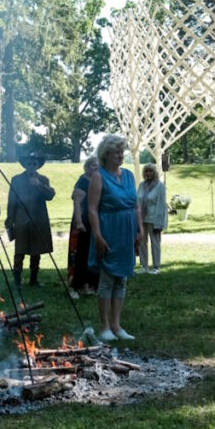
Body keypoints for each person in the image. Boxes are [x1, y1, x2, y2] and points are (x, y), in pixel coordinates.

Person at [88, 134, 141, 343]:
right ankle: (105, 327)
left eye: (122, 151)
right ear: (106, 154)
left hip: (127, 233)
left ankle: (117, 325)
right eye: (116, 152)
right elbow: (92, 209)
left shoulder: (128, 175)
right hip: (109, 230)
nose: (120, 155)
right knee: (108, 279)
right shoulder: (98, 176)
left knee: (122, 280)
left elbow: (135, 205)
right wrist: (98, 236)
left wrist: (140, 230)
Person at [6, 152, 56, 288]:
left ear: (38, 165)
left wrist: (38, 184)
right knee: (20, 250)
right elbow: (12, 201)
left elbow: (50, 195)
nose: (32, 165)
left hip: (39, 220)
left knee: (36, 251)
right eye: (29, 163)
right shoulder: (16, 180)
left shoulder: (43, 179)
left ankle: (33, 279)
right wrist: (10, 218)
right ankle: (17, 280)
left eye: (35, 163)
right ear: (25, 164)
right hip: (21, 219)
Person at [68, 156, 100, 296]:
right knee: (80, 254)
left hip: (93, 222)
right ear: (87, 167)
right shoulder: (82, 182)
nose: (95, 167)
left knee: (91, 254)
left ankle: (89, 285)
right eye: (93, 165)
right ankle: (76, 286)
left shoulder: (95, 181)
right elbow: (77, 203)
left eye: (97, 165)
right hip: (82, 223)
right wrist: (79, 222)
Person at [136, 163, 167, 274]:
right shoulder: (141, 185)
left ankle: (156, 267)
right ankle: (144, 266)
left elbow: (161, 205)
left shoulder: (160, 186)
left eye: (150, 171)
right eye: (146, 171)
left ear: (154, 173)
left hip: (154, 219)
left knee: (155, 243)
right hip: (141, 219)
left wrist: (159, 223)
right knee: (142, 243)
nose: (148, 173)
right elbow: (137, 201)